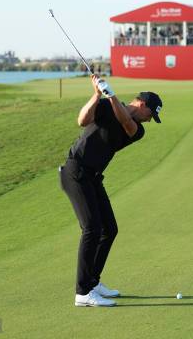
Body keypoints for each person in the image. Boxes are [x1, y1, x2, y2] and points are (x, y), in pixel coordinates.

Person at [59, 74, 163, 307]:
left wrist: (111, 94)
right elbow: (82, 120)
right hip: (76, 172)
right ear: (142, 104)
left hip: (93, 178)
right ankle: (83, 293)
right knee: (92, 229)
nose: (149, 120)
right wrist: (97, 95)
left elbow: (126, 122)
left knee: (109, 229)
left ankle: (93, 282)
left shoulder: (136, 129)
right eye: (151, 114)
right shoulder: (105, 105)